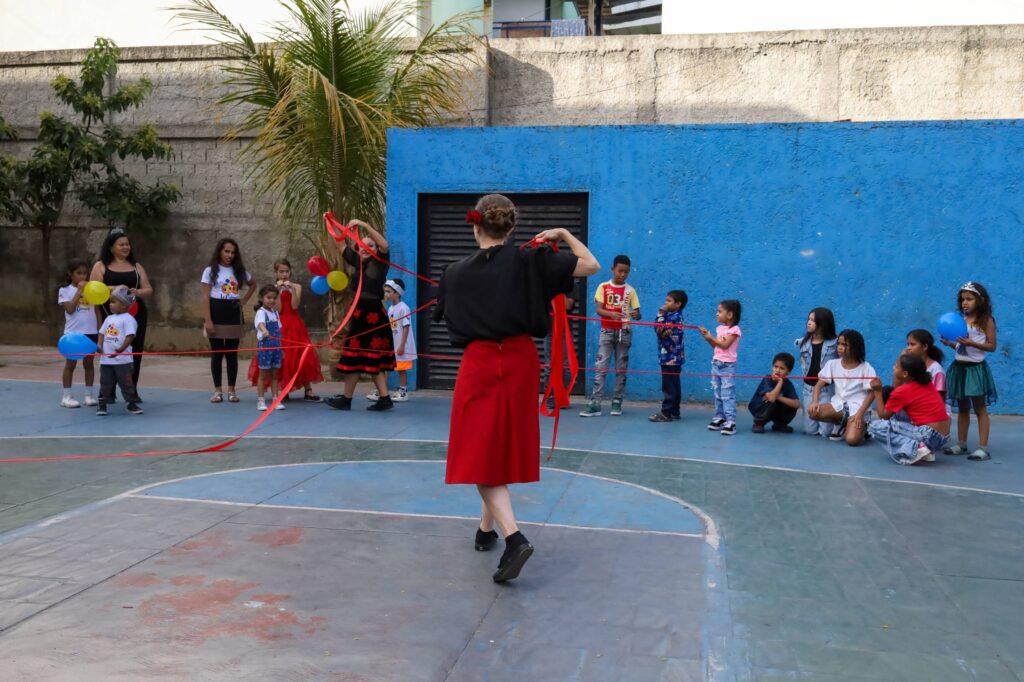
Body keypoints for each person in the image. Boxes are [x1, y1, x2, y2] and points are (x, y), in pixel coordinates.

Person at [432, 194, 599, 582]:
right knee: (499, 444)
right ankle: (485, 529)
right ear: (511, 227)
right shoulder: (533, 261)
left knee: (478, 452)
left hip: (479, 363)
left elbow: (447, 316)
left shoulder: (453, 272)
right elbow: (591, 265)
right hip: (521, 360)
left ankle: (513, 538)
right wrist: (564, 233)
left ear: (476, 225)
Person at [324, 219, 396, 412]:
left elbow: (384, 245)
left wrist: (364, 226)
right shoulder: (357, 262)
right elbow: (341, 243)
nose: (365, 248)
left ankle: (381, 398)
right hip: (359, 315)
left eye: (370, 245)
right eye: (361, 245)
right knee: (354, 358)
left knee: (372, 358)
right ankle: (351, 399)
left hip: (374, 317)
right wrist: (331, 222)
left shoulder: (379, 263)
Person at [246, 259, 323, 401]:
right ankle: (283, 387)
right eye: (281, 271)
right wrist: (279, 291)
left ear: (290, 271)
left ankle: (308, 390)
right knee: (282, 356)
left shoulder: (297, 286)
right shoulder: (273, 289)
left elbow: (294, 306)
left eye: (287, 271)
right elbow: (278, 308)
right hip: (279, 324)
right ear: (276, 273)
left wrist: (291, 289)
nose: (284, 274)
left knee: (302, 354)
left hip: (294, 323)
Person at [940, 282, 998, 461]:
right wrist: (951, 344)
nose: (965, 303)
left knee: (980, 408)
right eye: (962, 299)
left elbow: (992, 346)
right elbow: (962, 347)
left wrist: (972, 343)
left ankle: (983, 448)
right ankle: (962, 444)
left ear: (980, 300)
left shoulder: (986, 320)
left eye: (969, 299)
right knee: (963, 409)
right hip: (959, 368)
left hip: (975, 370)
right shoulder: (961, 320)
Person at [90, 228, 153, 389]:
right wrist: (115, 288)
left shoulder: (136, 266)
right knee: (110, 347)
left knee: (135, 349)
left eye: (127, 244)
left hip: (135, 314)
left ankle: (131, 389)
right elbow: (93, 290)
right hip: (109, 314)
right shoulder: (100, 266)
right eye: (121, 244)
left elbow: (148, 289)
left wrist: (137, 292)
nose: (126, 247)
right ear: (111, 247)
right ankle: (108, 389)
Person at [580, 255, 640, 417]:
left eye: (626, 272)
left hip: (624, 332)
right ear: (613, 269)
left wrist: (636, 314)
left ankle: (617, 401)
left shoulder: (630, 290)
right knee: (601, 367)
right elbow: (599, 310)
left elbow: (637, 313)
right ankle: (595, 403)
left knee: (621, 368)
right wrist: (611, 314)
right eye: (620, 271)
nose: (623, 275)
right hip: (606, 331)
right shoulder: (603, 287)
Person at [867, 354, 950, 465]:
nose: (893, 368)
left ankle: (916, 448)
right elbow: (897, 394)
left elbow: (883, 416)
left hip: (928, 434)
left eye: (896, 366)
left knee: (875, 427)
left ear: (905, 374)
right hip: (943, 437)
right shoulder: (927, 383)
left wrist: (877, 391)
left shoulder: (903, 391)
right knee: (898, 415)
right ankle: (926, 451)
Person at [201, 238, 255, 404]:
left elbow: (253, 284)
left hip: (233, 313)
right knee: (217, 354)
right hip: (216, 312)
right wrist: (208, 320)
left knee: (232, 354)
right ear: (219, 251)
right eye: (226, 251)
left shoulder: (239, 270)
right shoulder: (210, 270)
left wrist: (243, 300)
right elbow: (205, 297)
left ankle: (232, 390)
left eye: (232, 252)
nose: (229, 255)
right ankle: (218, 391)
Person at [808, 329, 876, 446]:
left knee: (852, 440)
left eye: (844, 344)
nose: (839, 347)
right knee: (813, 413)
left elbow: (872, 393)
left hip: (858, 408)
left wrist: (860, 414)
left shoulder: (866, 367)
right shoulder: (832, 364)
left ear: (855, 347)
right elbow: (819, 385)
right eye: (838, 343)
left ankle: (864, 428)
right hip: (838, 405)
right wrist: (815, 402)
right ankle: (841, 423)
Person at [95, 286, 143, 416]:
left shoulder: (128, 319)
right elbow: (101, 333)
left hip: (123, 361)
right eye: (110, 302)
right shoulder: (108, 319)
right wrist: (99, 345)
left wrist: (121, 349)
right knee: (105, 383)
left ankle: (131, 403)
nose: (110, 304)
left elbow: (130, 336)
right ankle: (102, 404)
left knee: (126, 383)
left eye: (113, 302)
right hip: (106, 361)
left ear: (123, 305)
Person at [698, 299, 742, 436]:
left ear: (729, 315)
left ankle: (731, 421)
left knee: (727, 394)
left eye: (720, 311)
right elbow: (717, 347)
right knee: (717, 393)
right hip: (716, 364)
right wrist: (708, 339)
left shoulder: (735, 330)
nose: (717, 314)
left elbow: (725, 345)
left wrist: (711, 337)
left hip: (727, 366)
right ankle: (720, 417)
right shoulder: (720, 329)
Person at [58, 258, 98, 408]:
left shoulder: (91, 290)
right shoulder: (64, 290)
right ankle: (66, 396)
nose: (82, 276)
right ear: (70, 273)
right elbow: (70, 309)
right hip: (73, 333)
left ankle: (89, 395)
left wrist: (100, 330)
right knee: (71, 364)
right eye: (78, 273)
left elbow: (97, 311)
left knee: (89, 364)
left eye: (85, 273)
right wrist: (79, 291)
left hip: (91, 332)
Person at [368, 278, 415, 402]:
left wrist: (402, 345)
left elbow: (406, 327)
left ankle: (403, 391)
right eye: (385, 291)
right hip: (392, 344)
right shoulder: (390, 308)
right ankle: (382, 391)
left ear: (398, 293)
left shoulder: (404, 308)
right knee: (385, 367)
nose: (386, 294)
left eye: (388, 292)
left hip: (401, 344)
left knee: (401, 368)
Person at [795, 307, 838, 437]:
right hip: (808, 389)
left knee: (826, 432)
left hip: (827, 389)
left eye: (813, 320)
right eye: (809, 319)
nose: (809, 322)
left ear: (823, 324)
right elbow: (804, 362)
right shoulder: (803, 343)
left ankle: (839, 424)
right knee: (810, 431)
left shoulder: (835, 343)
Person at [649, 289, 687, 422]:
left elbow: (659, 330)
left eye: (669, 301)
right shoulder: (676, 317)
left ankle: (666, 413)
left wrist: (661, 313)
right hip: (675, 357)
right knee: (674, 384)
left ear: (678, 304)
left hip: (670, 357)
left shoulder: (674, 318)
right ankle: (674, 411)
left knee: (669, 385)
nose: (665, 303)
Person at [748, 353, 801, 433]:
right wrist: (780, 382)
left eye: (782, 368)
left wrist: (778, 397)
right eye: (775, 366)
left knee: (790, 405)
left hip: (775, 410)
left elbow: (797, 404)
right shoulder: (767, 379)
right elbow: (771, 399)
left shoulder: (788, 384)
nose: (777, 370)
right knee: (769, 400)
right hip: (759, 409)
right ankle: (759, 423)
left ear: (788, 371)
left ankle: (779, 424)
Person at [253, 285, 285, 412]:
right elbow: (260, 323)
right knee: (262, 375)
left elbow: (279, 331)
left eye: (274, 298)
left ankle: (276, 399)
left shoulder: (275, 313)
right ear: (261, 298)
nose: (271, 300)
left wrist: (281, 348)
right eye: (268, 297)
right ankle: (261, 400)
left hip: (276, 348)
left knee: (274, 375)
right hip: (265, 348)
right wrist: (264, 329)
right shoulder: (261, 312)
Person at [904, 329, 946, 401]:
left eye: (912, 344)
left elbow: (939, 399)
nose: (908, 348)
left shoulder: (936, 370)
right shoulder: (910, 366)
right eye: (908, 344)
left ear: (925, 347)